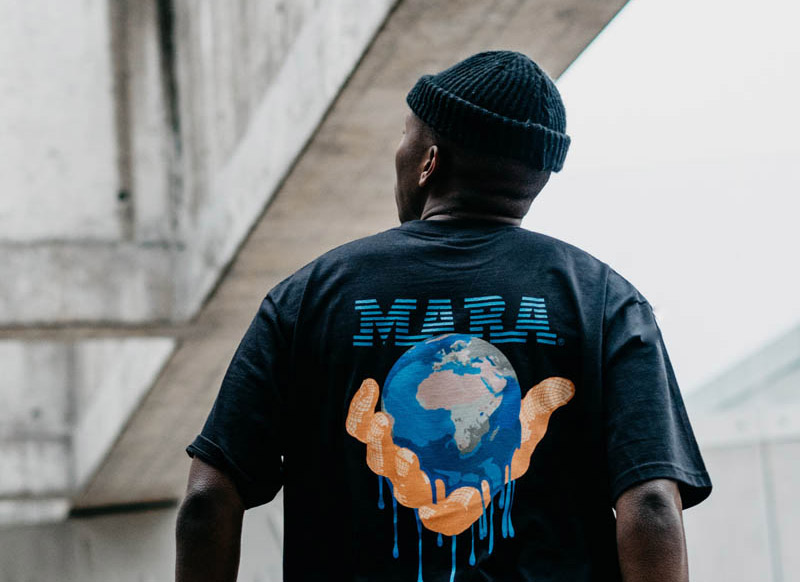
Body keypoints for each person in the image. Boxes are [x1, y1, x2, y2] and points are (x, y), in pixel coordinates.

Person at [176, 51, 712, 582]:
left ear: (429, 161)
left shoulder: (307, 299)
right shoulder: (604, 302)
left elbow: (207, 499)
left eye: (404, 135)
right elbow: (651, 504)